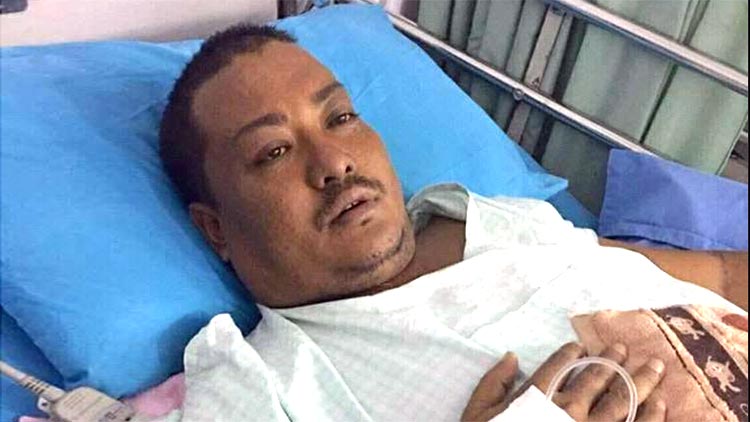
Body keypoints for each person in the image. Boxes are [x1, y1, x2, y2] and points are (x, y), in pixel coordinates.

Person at [158, 24, 748, 421]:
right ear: (216, 229)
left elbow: (719, 276)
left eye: (340, 117)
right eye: (274, 152)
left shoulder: (497, 221)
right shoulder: (262, 383)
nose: (334, 161)